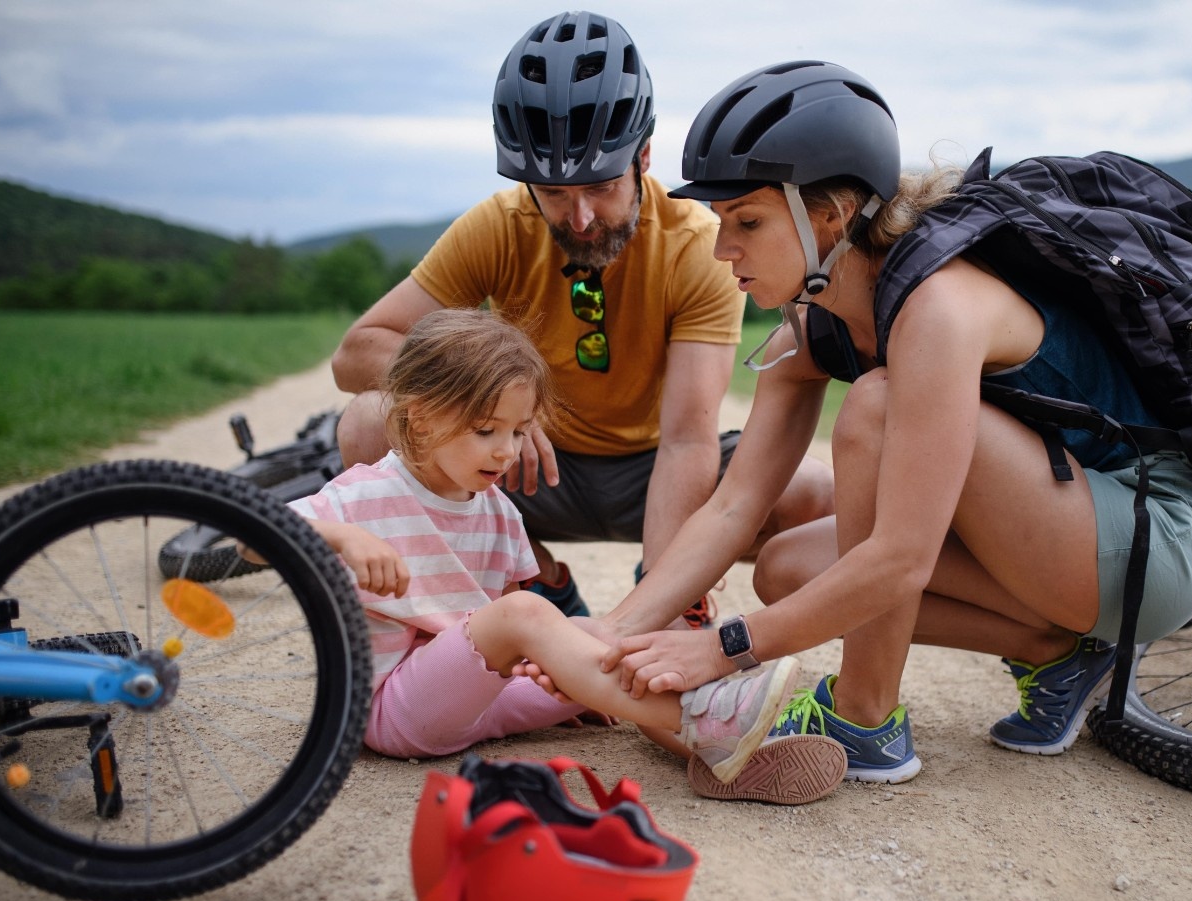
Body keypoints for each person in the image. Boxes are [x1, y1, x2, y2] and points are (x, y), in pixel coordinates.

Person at [578, 62, 1192, 785]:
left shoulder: (939, 307)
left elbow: (900, 559)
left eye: (748, 222)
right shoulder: (814, 323)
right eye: (721, 222)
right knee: (787, 570)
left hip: (1153, 540)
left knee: (875, 409)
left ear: (830, 213)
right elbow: (735, 504)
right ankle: (1062, 653)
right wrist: (615, 634)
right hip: (1063, 532)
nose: (720, 248)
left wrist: (725, 648)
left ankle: (865, 720)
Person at [329, 11, 833, 626]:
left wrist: (661, 600)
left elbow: (686, 439)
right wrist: (483, 401)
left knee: (817, 495)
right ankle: (535, 585)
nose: (581, 217)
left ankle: (672, 597)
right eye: (554, 194)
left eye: (599, 186)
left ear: (643, 156)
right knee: (367, 424)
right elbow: (357, 352)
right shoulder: (497, 224)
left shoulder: (696, 244)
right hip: (526, 465)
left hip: (653, 470)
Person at [274, 308, 805, 788]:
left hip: (480, 700)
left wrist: (575, 675)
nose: (506, 452)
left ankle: (714, 755)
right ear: (418, 416)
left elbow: (499, 636)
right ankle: (706, 713)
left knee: (600, 636)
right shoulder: (364, 496)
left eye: (520, 432)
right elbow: (251, 537)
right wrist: (343, 538)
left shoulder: (497, 513)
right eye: (486, 430)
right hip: (392, 709)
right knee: (529, 613)